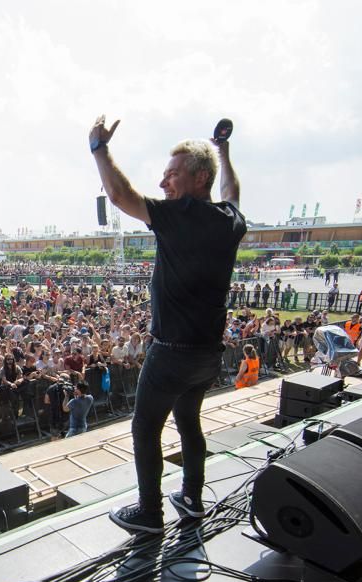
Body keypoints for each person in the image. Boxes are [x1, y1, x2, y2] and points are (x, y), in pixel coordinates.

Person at [89, 114, 245, 533]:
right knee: (189, 422)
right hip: (207, 354)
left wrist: (98, 148)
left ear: (199, 178)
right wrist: (224, 152)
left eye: (172, 175)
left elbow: (119, 195)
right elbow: (231, 192)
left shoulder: (179, 215)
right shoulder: (229, 220)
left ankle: (150, 512)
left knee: (145, 428)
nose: (162, 183)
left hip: (171, 353)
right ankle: (192, 497)